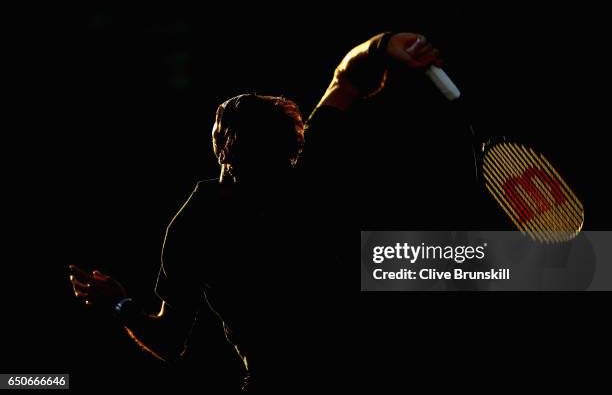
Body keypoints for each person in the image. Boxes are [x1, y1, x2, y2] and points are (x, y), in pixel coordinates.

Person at [68, 32, 443, 391]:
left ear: (222, 148)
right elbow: (346, 79)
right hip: (366, 369)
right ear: (292, 146)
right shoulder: (308, 171)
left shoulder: (196, 224)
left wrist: (118, 302)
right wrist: (387, 42)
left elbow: (168, 341)